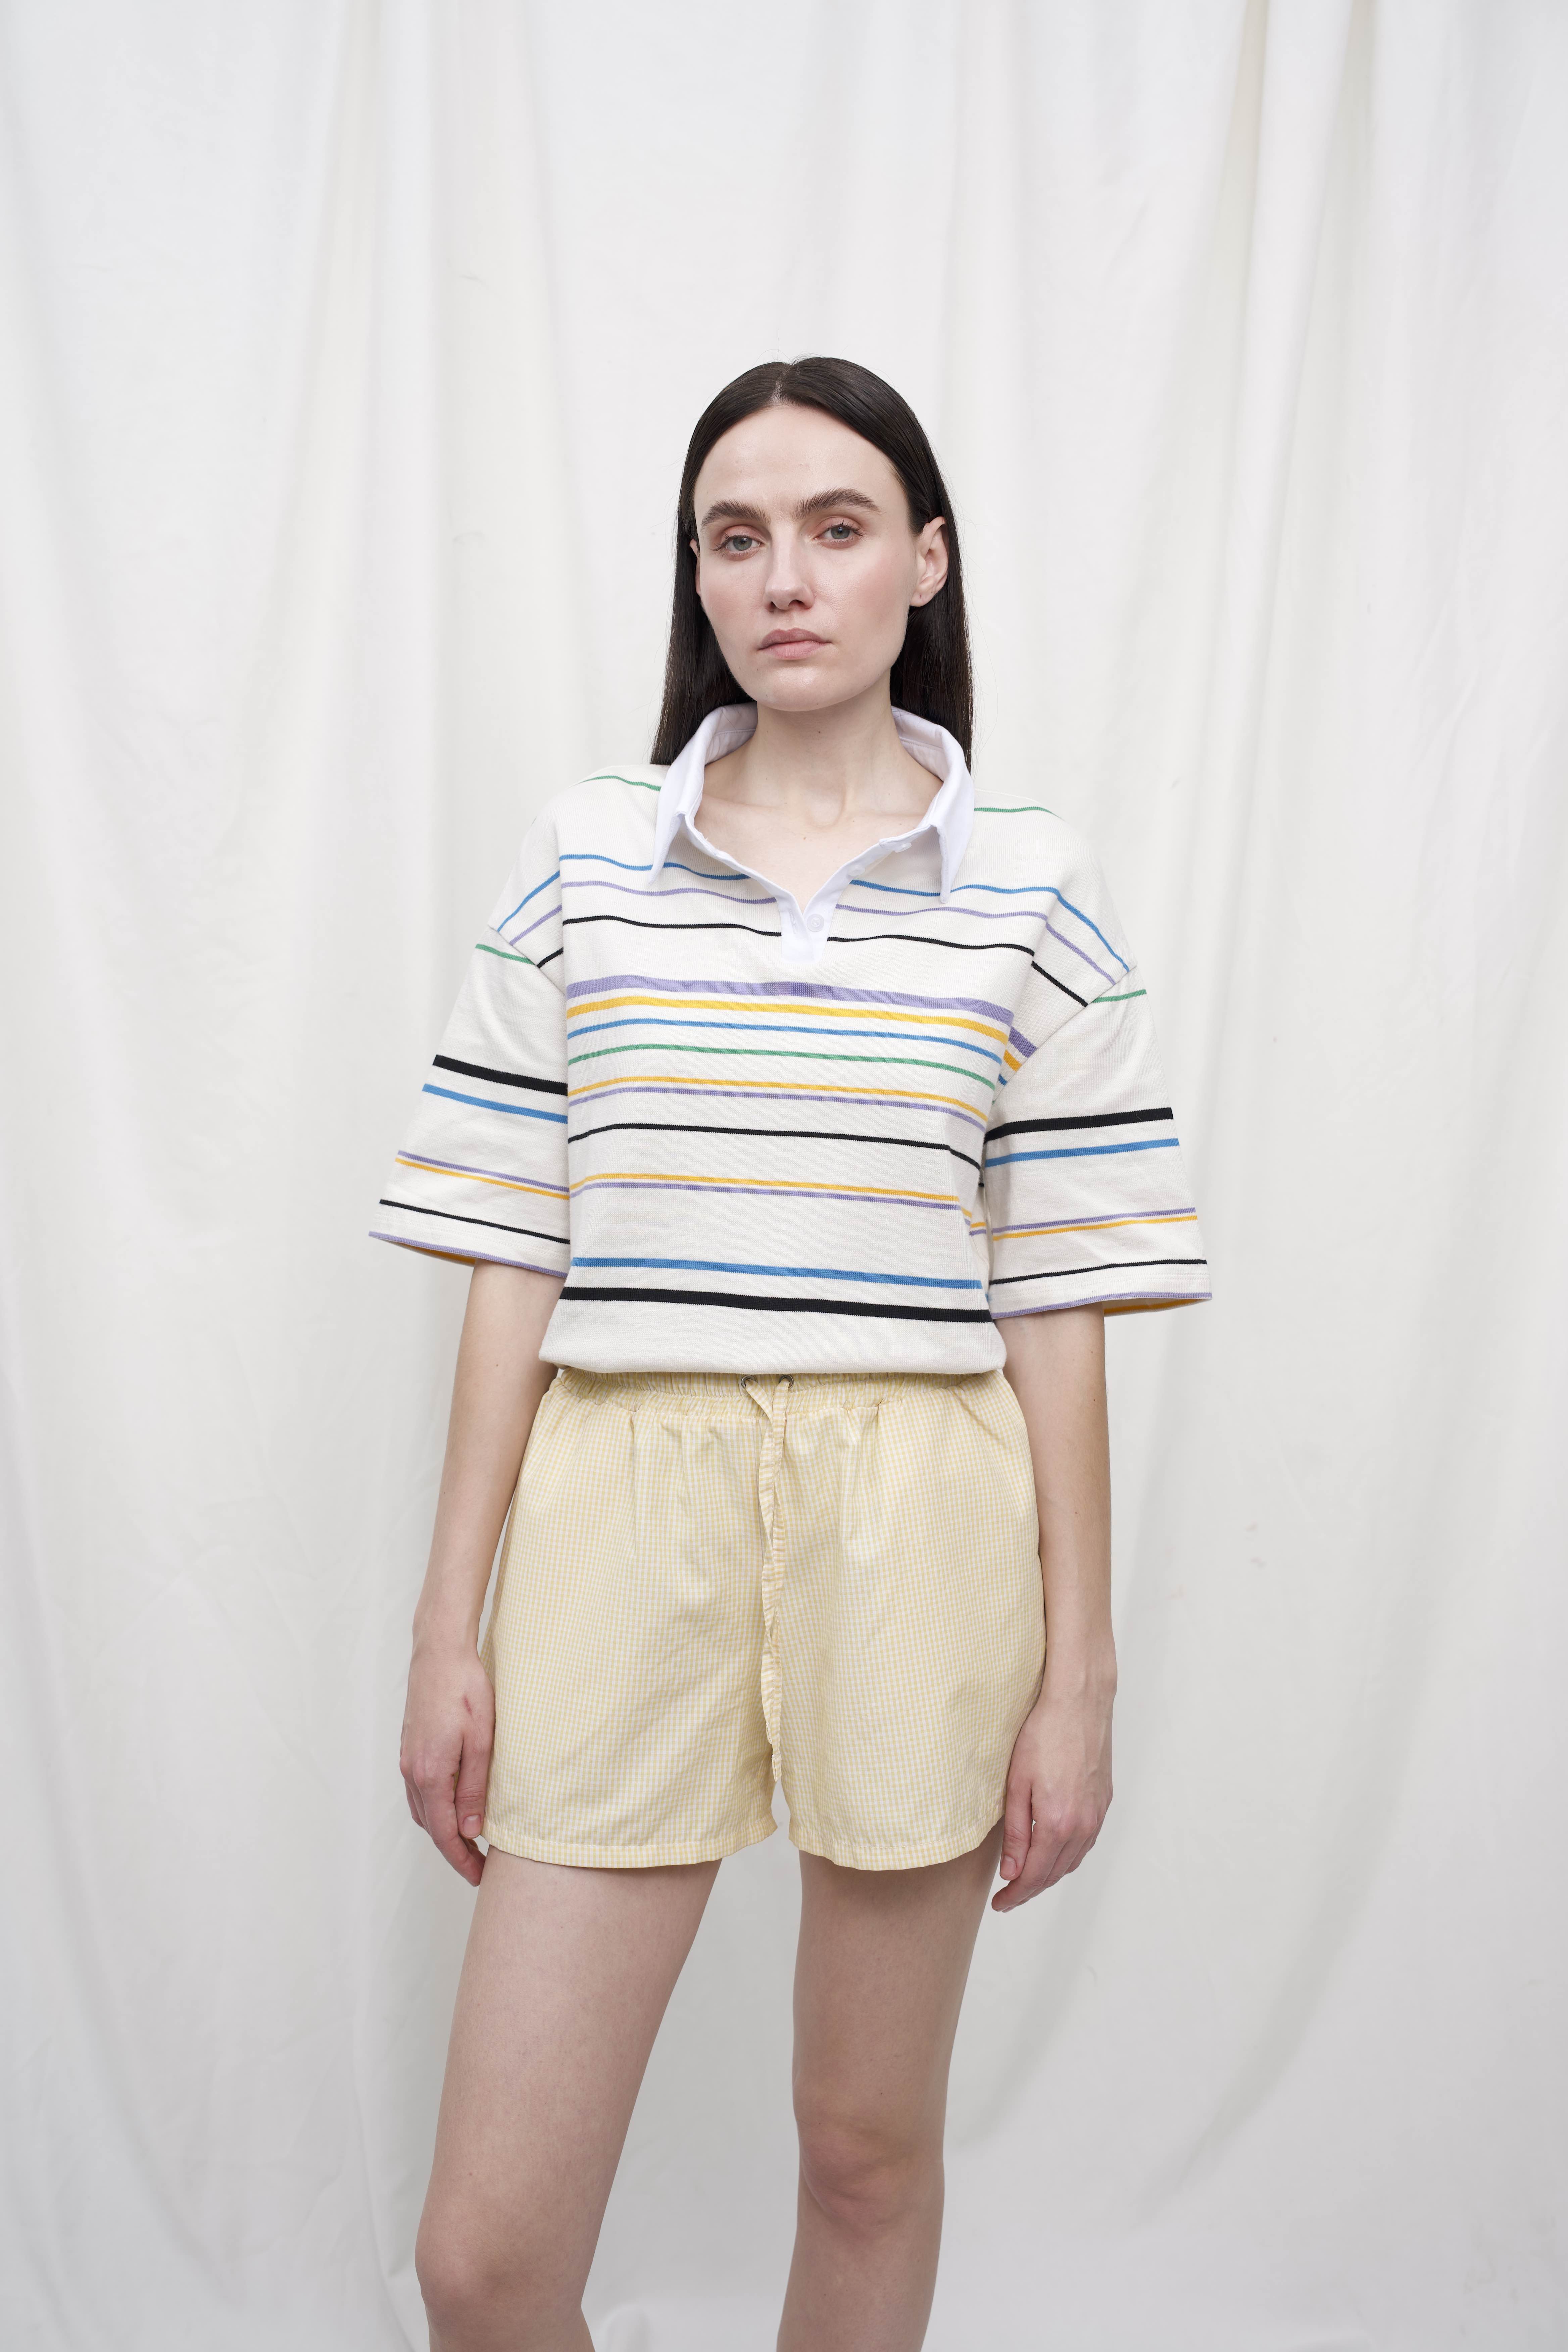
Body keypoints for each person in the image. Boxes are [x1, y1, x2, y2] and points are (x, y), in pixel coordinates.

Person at [372, 355, 1209, 2352]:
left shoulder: (1034, 882)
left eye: (838, 529)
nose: (785, 577)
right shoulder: (585, 857)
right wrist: (446, 1628)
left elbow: (1057, 1298)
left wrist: (1080, 1671)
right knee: (483, 2261)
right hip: (616, 1501)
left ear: (927, 559)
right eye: (734, 537)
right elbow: (511, 1257)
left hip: (919, 1519)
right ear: (697, 575)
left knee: (864, 2158)